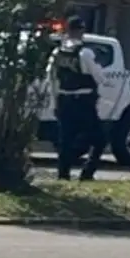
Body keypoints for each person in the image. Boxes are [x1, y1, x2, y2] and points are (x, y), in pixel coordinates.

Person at [48, 15, 107, 181]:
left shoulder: (57, 52)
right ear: (81, 31)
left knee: (65, 140)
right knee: (99, 140)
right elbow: (100, 77)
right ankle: (87, 174)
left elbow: (51, 78)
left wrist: (55, 102)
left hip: (64, 101)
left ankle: (63, 175)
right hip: (83, 102)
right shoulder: (85, 53)